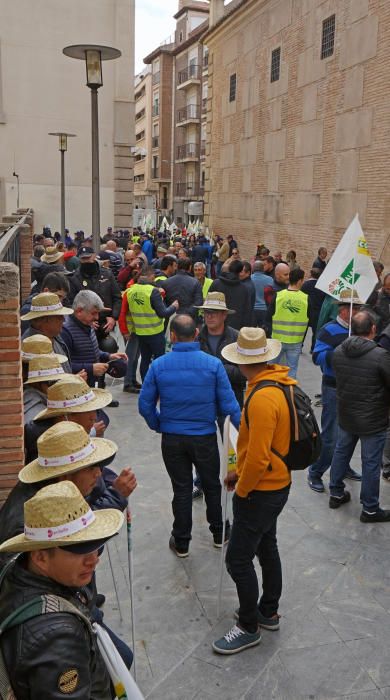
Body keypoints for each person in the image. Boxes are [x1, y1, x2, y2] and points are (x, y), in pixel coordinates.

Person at [0, 480, 125, 698]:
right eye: (79, 550)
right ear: (40, 557)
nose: (93, 560)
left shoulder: (17, 567)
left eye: (94, 545)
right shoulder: (59, 637)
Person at [212, 327, 293, 655]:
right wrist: (238, 471)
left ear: (244, 362)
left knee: (238, 559)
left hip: (262, 489)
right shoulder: (276, 383)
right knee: (267, 545)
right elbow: (260, 450)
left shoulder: (261, 398)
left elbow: (258, 457)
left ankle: (248, 625)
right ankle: (268, 610)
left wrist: (242, 488)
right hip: (276, 482)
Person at [138, 314, 241, 556]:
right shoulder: (213, 364)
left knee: (181, 489)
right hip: (204, 437)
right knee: (212, 485)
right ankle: (220, 533)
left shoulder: (158, 365)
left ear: (172, 336)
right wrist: (242, 436)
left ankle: (182, 541)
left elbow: (144, 405)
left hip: (172, 439)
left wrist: (158, 424)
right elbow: (230, 406)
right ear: (196, 334)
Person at [329, 309, 390, 522]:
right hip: (373, 418)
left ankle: (336, 493)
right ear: (373, 329)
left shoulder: (338, 351)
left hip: (347, 413)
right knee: (371, 462)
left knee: (341, 452)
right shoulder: (380, 355)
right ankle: (370, 508)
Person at [307, 289, 363, 493]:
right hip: (333, 387)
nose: (356, 311)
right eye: (352, 308)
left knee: (349, 435)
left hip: (354, 388)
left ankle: (343, 467)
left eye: (358, 308)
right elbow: (317, 357)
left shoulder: (360, 330)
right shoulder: (328, 330)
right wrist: (340, 354)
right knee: (330, 436)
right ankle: (315, 472)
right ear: (341, 310)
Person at [61, 290, 127, 389]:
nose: (96, 317)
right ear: (79, 311)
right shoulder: (65, 331)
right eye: (93, 313)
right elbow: (61, 366)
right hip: (75, 390)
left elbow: (89, 350)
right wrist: (91, 369)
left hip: (90, 386)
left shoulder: (87, 324)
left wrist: (108, 356)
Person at [125, 267, 178, 380]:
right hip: (155, 332)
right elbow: (163, 313)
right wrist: (174, 306)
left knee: (145, 359)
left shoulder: (130, 290)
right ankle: (159, 383)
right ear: (150, 276)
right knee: (159, 360)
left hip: (140, 332)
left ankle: (146, 384)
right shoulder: (152, 291)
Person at [68, 246, 122, 342]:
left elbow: (117, 297)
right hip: (84, 326)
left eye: (88, 258)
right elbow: (71, 303)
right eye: (83, 259)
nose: (86, 261)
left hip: (106, 323)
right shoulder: (75, 278)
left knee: (109, 346)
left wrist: (113, 317)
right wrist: (85, 320)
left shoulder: (107, 274)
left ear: (94, 256)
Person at [270, 268, 309, 378]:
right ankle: (289, 393)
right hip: (295, 341)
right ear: (300, 281)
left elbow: (268, 317)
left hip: (277, 339)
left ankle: (269, 389)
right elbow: (310, 319)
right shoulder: (305, 298)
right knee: (291, 371)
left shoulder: (278, 296)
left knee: (271, 368)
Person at [21, 291, 74, 372]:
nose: (63, 320)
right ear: (46, 320)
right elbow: (42, 382)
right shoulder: (32, 346)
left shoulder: (53, 336)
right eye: (59, 317)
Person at [210, 259, 253, 330]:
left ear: (229, 268)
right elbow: (247, 313)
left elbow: (208, 305)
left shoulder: (216, 283)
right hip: (236, 328)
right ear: (240, 271)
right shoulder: (244, 289)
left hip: (216, 325)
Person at [301, 268, 326, 352]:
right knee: (316, 331)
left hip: (306, 310)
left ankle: (300, 346)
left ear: (311, 274)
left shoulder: (305, 284)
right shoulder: (322, 286)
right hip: (317, 311)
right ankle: (313, 348)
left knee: (303, 330)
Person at [251, 261, 273, 328]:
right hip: (265, 309)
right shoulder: (270, 279)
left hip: (252, 310)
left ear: (253, 269)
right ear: (263, 269)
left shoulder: (249, 279)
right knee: (263, 333)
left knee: (251, 332)